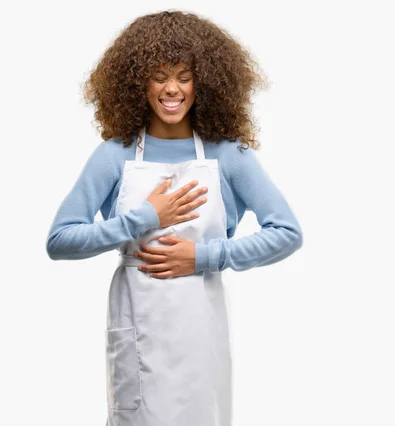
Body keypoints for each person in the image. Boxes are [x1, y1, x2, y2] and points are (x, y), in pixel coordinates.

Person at [45, 10, 303, 426]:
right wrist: (143, 217)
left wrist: (203, 257)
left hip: (199, 331)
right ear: (137, 82)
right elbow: (60, 240)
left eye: (184, 76)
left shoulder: (227, 154)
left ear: (205, 82)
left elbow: (287, 233)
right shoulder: (116, 154)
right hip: (138, 329)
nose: (171, 89)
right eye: (159, 75)